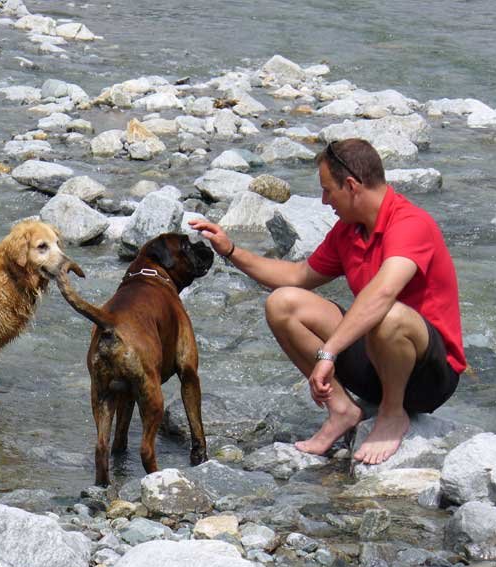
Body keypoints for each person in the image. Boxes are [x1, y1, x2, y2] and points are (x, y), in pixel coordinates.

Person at [189, 138, 466, 465]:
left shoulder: (411, 224)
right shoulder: (348, 231)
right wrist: (231, 250)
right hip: (377, 363)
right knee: (282, 303)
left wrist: (329, 352)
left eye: (327, 190)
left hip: (429, 378)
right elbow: (296, 276)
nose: (323, 201)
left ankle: (393, 414)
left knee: (387, 315)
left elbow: (382, 294)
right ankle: (342, 410)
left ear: (351, 186)